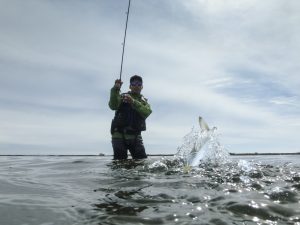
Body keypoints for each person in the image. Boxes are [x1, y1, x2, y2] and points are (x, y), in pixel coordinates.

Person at [109, 75, 152, 160]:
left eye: (139, 84)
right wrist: (115, 89)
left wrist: (133, 102)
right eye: (134, 83)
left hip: (135, 137)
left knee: (141, 162)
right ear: (130, 86)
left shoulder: (144, 101)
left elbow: (147, 112)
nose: (136, 86)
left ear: (142, 87)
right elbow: (113, 106)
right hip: (118, 136)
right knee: (119, 163)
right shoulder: (122, 96)